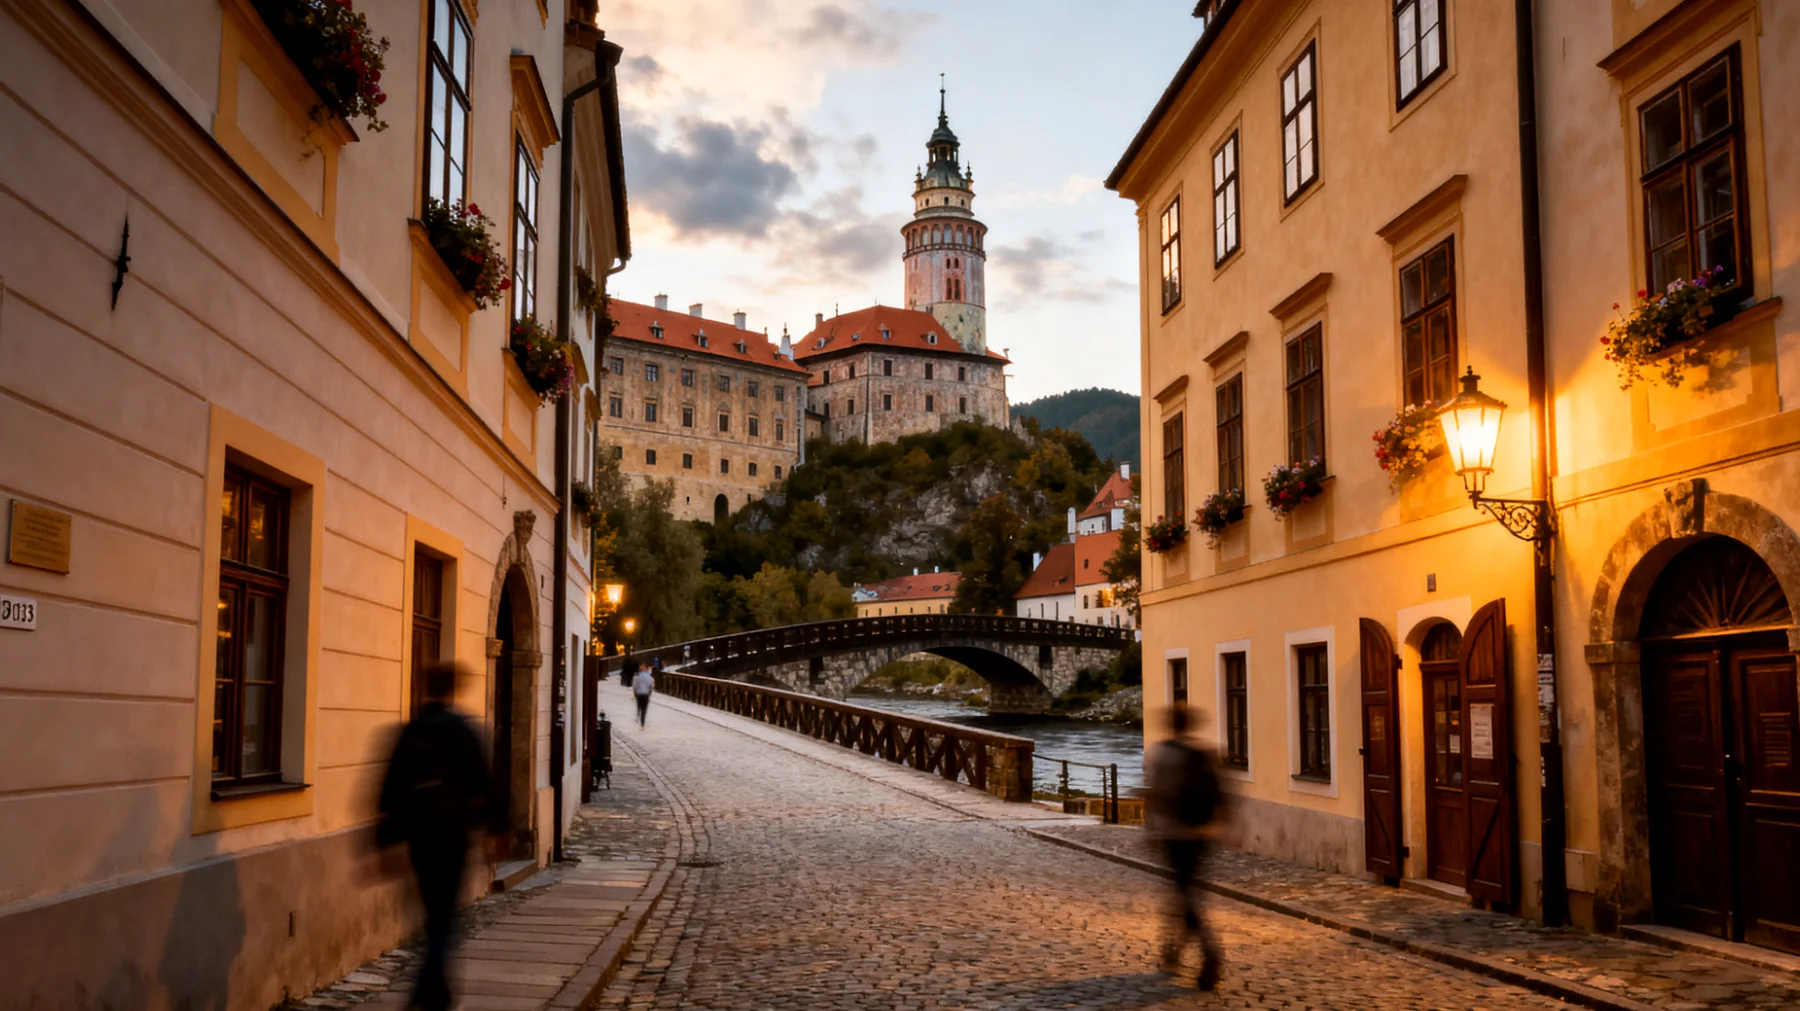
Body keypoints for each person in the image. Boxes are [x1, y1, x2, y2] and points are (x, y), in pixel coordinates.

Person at [377, 662, 502, 1011]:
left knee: (434, 914)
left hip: (419, 838)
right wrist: (494, 832)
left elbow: (390, 790)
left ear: (427, 687)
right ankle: (430, 990)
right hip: (453, 837)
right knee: (444, 918)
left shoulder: (411, 731)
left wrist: (384, 841)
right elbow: (483, 788)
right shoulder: (463, 731)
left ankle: (431, 988)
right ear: (453, 689)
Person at [1145, 704, 1224, 990]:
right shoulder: (1204, 751)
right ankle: (1173, 949)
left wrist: (1150, 829)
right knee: (1185, 892)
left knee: (1184, 895)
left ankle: (1210, 952)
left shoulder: (1162, 753)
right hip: (1202, 835)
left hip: (1174, 833)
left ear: (1171, 723)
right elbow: (1221, 793)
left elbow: (1156, 793)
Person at [631, 660, 655, 728]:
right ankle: (642, 724)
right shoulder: (649, 676)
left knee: (639, 705)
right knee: (644, 709)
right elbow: (651, 685)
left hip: (639, 693)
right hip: (646, 694)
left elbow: (634, 685)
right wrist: (650, 691)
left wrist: (635, 693)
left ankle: (638, 714)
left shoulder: (637, 675)